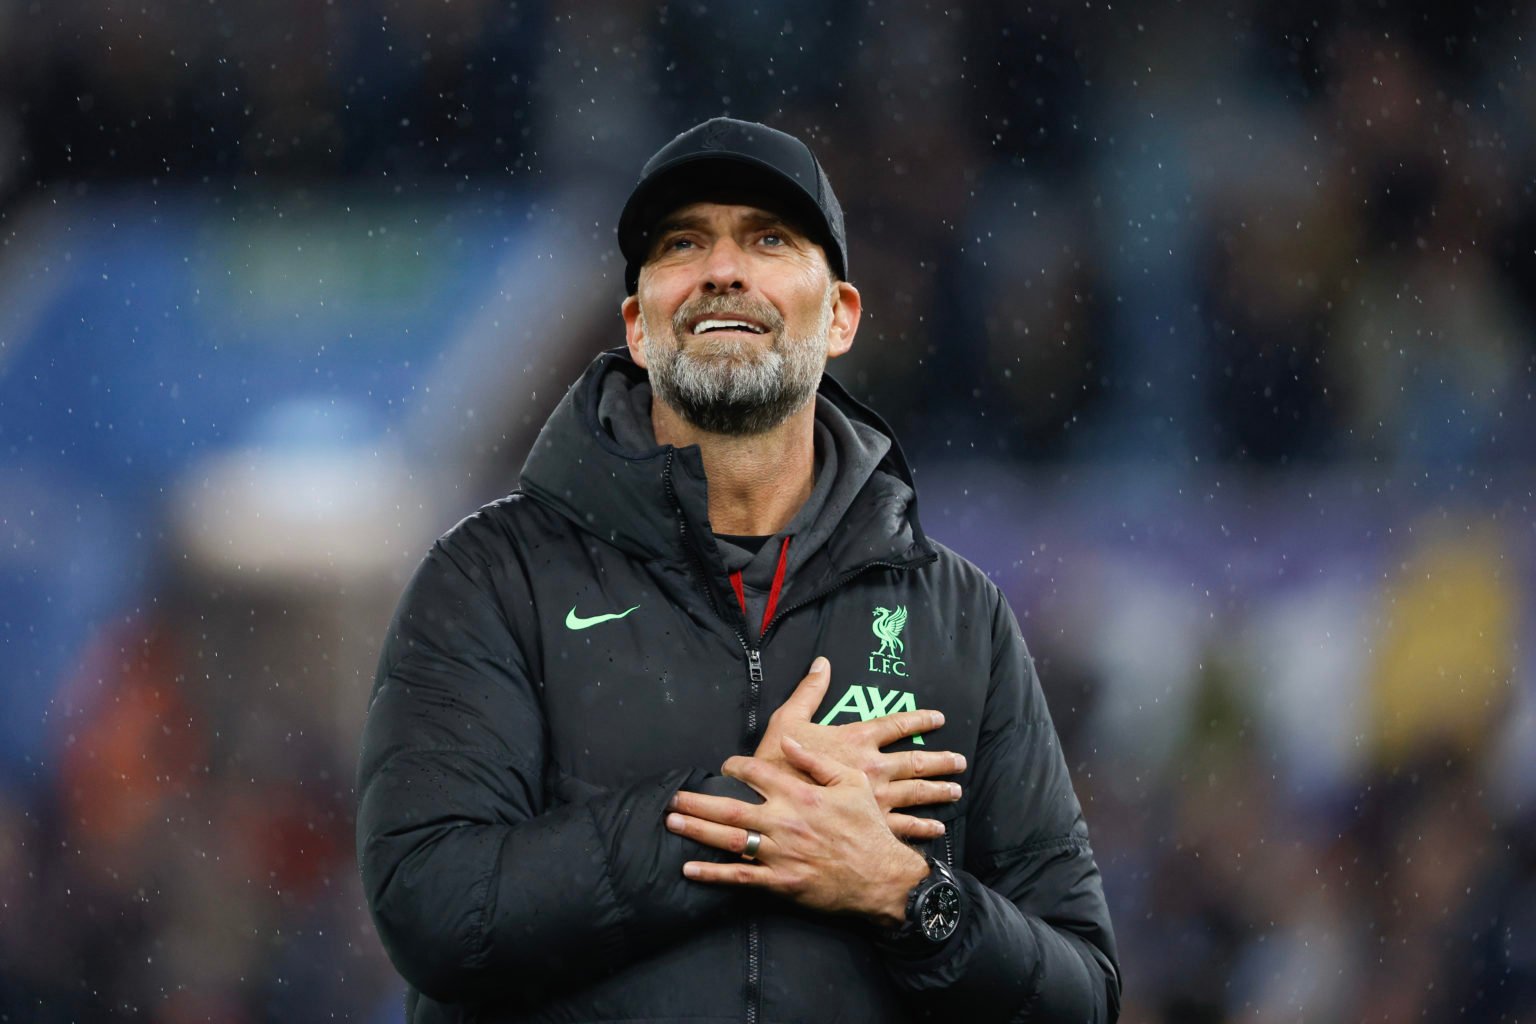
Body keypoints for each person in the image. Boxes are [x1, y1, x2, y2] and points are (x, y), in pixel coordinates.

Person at [356, 117, 1120, 1023]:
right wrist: (746, 816)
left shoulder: (958, 615)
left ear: (839, 317)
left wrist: (909, 897)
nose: (724, 268)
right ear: (638, 327)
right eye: (683, 243)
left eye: (768, 238)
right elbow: (434, 910)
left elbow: (1082, 994)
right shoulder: (491, 579)